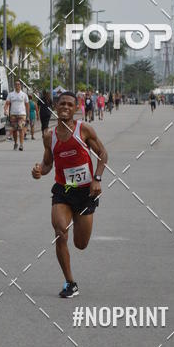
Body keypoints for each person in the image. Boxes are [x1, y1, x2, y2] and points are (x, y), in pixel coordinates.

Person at [31, 90, 108, 298]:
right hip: (63, 190)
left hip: (85, 191)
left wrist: (97, 179)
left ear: (76, 108)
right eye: (62, 103)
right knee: (60, 231)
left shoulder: (84, 130)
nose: (65, 107)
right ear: (56, 106)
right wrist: (39, 171)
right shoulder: (50, 136)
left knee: (80, 244)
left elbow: (103, 153)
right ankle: (70, 283)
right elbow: (48, 163)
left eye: (69, 104)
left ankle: (79, 219)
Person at [5, 79, 29, 151]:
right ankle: (15, 143)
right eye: (16, 84)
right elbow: (7, 103)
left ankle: (21, 145)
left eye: (18, 84)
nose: (17, 86)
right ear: (14, 86)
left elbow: (27, 105)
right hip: (13, 114)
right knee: (15, 130)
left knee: (21, 129)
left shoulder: (24, 95)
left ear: (20, 86)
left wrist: (27, 116)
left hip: (22, 114)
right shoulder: (11, 94)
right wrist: (5, 110)